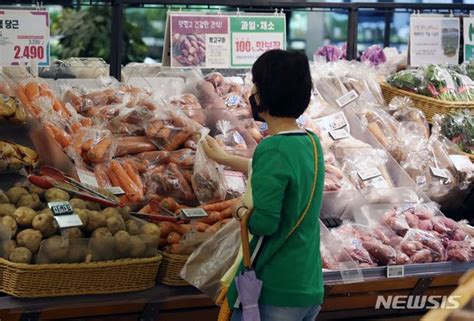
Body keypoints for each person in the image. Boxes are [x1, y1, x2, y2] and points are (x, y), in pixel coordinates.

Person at [202, 50, 325, 321]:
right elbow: (283, 174)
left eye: (256, 85)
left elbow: (264, 223)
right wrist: (225, 158)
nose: (252, 92)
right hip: (308, 285)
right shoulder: (310, 143)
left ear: (265, 95)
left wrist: (239, 210)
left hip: (275, 287)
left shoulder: (273, 148)